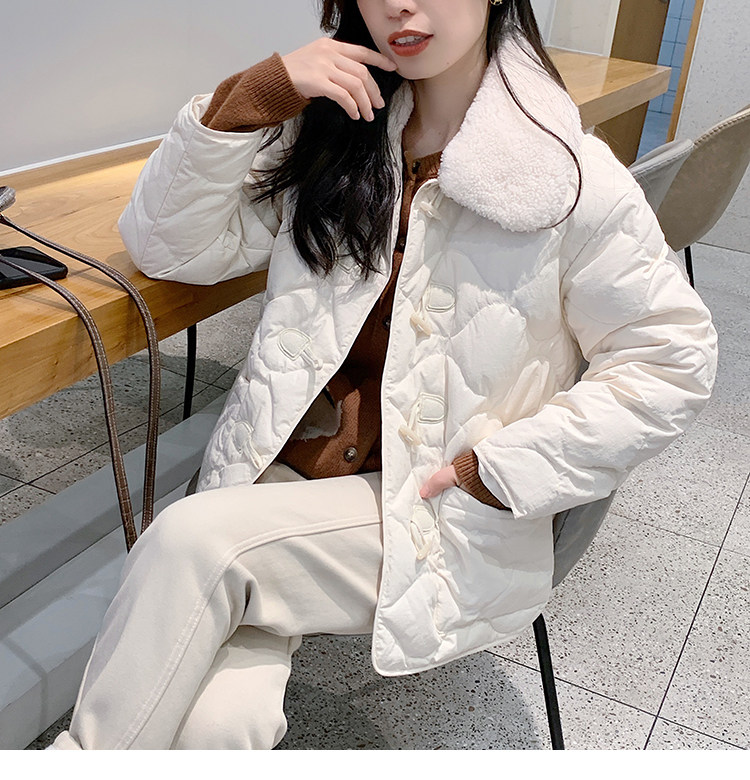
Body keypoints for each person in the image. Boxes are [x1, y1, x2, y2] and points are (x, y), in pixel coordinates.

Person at [50, 0, 718, 750]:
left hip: (433, 501)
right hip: (290, 468)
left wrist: (497, 471)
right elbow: (170, 249)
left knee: (192, 541)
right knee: (219, 725)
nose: (401, 3)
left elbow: (672, 361)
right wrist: (251, 99)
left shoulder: (567, 175)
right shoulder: (341, 136)